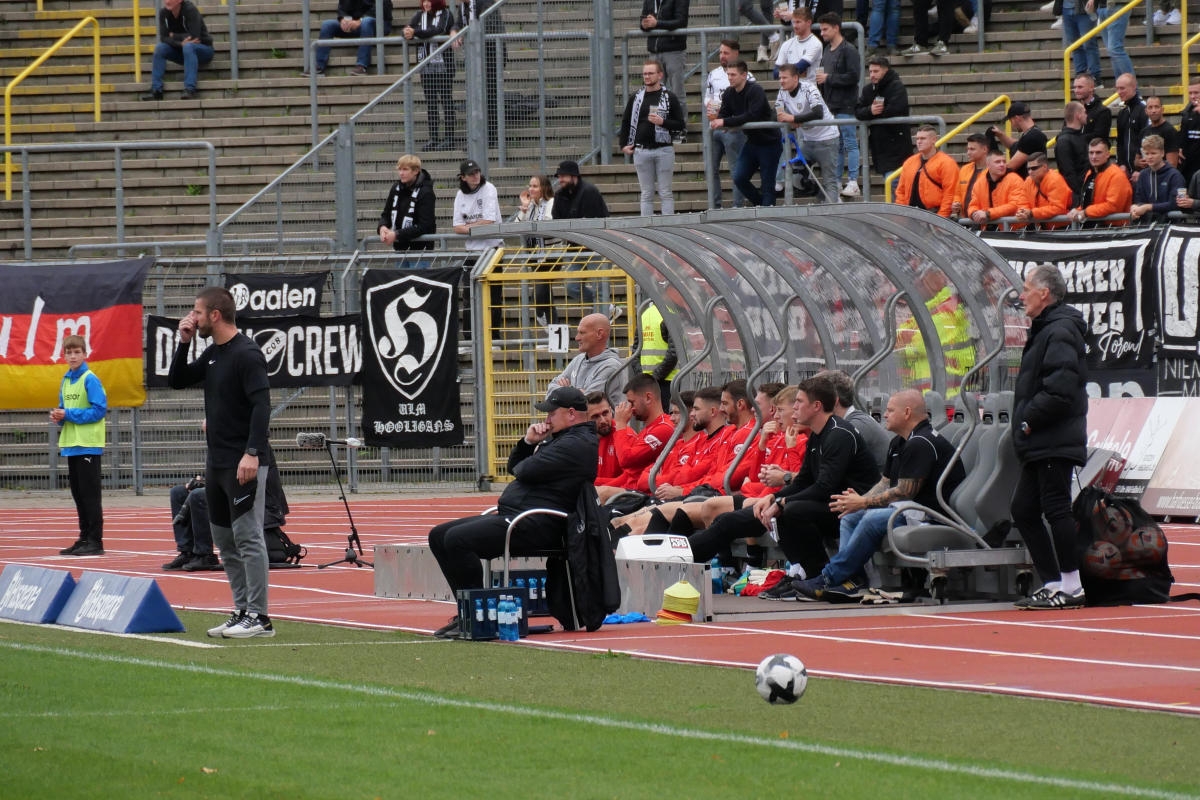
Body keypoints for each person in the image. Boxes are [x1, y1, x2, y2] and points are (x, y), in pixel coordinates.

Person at [427, 386, 598, 637]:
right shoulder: (562, 439)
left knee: (456, 540)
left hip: (539, 524)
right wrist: (528, 443)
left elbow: (523, 471)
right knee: (438, 535)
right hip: (520, 516)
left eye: (552, 413)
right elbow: (516, 466)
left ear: (571, 414)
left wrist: (535, 453)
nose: (547, 419)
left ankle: (477, 615)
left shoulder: (577, 443)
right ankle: (467, 612)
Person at [689, 374, 880, 583]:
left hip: (849, 507)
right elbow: (803, 480)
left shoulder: (839, 433)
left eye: (799, 402)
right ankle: (682, 557)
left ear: (816, 406)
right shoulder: (818, 434)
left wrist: (781, 501)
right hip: (829, 504)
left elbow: (824, 487)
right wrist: (773, 498)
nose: (795, 407)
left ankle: (817, 575)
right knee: (729, 520)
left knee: (790, 511)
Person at [168, 287, 276, 638]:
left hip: (243, 461)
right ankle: (242, 609)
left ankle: (260, 617)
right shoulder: (214, 352)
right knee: (225, 541)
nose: (193, 318)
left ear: (215, 315)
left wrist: (252, 452)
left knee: (248, 538)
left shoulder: (247, 353)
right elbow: (177, 380)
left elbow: (262, 406)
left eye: (197, 312)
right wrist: (184, 343)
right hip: (216, 463)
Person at [790, 388, 966, 600]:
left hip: (932, 515)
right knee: (850, 517)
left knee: (871, 519)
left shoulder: (921, 442)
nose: (885, 415)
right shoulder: (899, 442)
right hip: (910, 510)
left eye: (890, 410)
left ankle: (829, 577)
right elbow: (885, 483)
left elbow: (905, 491)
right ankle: (851, 581)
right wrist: (858, 502)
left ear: (907, 412)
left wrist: (864, 502)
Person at [1011, 263, 1090, 610]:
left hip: (1052, 436)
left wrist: (1028, 419)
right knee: (1023, 510)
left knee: (1056, 507)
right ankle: (1053, 581)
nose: (1021, 296)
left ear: (1044, 293)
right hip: (1042, 439)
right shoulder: (1047, 329)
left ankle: (1072, 585)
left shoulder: (1060, 330)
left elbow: (1060, 389)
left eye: (1026, 289)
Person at [165, 463, 290, 572]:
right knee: (178, 492)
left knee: (199, 495)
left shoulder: (250, 451)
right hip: (231, 489)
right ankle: (187, 552)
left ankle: (205, 555)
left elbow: (244, 480)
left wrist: (209, 486)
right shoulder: (222, 449)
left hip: (253, 499)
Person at [53, 334, 108, 557]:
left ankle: (95, 540)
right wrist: (59, 416)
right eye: (69, 352)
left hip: (88, 444)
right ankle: (84, 537)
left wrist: (69, 414)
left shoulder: (90, 379)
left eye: (77, 352)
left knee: (90, 495)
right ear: (64, 355)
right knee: (78, 494)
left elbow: (99, 410)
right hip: (72, 444)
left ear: (85, 354)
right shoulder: (66, 380)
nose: (73, 356)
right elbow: (64, 407)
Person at [620, 59, 685, 217]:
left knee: (665, 192)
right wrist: (623, 144)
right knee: (646, 193)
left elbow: (680, 124)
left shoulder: (669, 97)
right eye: (645, 73)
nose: (647, 76)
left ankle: (667, 224)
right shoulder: (636, 97)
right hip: (641, 150)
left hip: (664, 149)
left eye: (650, 73)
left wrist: (663, 122)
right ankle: (647, 226)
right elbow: (626, 121)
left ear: (660, 75)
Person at [596, 373, 676, 501]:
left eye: (632, 403)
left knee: (601, 494)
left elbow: (626, 460)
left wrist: (621, 425)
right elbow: (628, 475)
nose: (630, 408)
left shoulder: (664, 428)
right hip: (631, 488)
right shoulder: (649, 428)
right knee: (589, 490)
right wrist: (592, 483)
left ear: (648, 398)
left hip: (644, 493)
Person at [712, 60, 780, 207]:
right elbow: (723, 114)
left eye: (733, 75)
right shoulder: (729, 93)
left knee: (767, 184)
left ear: (744, 75)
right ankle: (761, 205)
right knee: (739, 177)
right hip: (752, 142)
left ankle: (767, 211)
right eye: (728, 74)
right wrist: (719, 120)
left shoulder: (755, 90)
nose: (730, 78)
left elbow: (752, 115)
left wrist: (725, 122)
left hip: (769, 142)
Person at [775, 63, 841, 203]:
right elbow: (778, 114)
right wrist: (787, 119)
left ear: (795, 78)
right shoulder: (782, 92)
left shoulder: (809, 88)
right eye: (780, 78)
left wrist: (794, 118)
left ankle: (833, 209)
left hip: (827, 139)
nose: (781, 81)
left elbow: (818, 113)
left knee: (829, 180)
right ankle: (823, 196)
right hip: (807, 141)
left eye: (784, 78)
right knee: (796, 177)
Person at [705, 40, 755, 208]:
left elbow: (750, 101)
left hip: (734, 129)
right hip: (715, 126)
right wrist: (711, 109)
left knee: (736, 169)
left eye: (726, 53)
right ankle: (715, 206)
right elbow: (708, 97)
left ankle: (738, 206)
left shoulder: (747, 76)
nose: (722, 56)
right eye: (720, 52)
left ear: (736, 53)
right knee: (711, 168)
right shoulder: (713, 74)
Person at [816, 13, 862, 198]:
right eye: (821, 29)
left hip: (846, 105)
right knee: (838, 145)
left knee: (849, 142)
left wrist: (829, 78)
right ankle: (836, 180)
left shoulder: (849, 50)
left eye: (825, 29)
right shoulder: (827, 50)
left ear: (836, 28)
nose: (822, 33)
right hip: (831, 105)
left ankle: (853, 181)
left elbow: (854, 76)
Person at [451, 0, 504, 147]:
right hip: (474, 58)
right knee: (474, 98)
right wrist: (454, 31)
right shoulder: (463, 6)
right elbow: (458, 23)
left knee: (490, 97)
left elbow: (488, 25)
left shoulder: (484, 2)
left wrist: (465, 33)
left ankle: (490, 138)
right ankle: (477, 139)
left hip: (491, 56)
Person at [404, 0, 455, 151]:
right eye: (424, 1)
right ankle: (433, 138)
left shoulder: (446, 14)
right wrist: (407, 32)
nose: (426, 4)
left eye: (430, 1)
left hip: (443, 66)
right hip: (425, 65)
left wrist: (416, 33)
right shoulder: (419, 15)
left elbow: (439, 30)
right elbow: (408, 29)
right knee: (431, 103)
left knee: (446, 101)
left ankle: (449, 138)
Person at [547, 313, 625, 409]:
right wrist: (574, 392)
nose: (577, 338)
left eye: (582, 333)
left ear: (599, 334)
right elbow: (550, 391)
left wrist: (565, 390)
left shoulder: (611, 366)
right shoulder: (578, 360)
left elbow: (588, 403)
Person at [141, 0, 213, 100]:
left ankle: (190, 89)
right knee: (160, 48)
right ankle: (156, 90)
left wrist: (174, 36)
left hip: (203, 49)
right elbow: (164, 38)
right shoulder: (164, 13)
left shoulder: (190, 10)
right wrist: (180, 43)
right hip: (181, 50)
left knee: (188, 47)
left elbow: (194, 36)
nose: (167, 1)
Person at [640, 0, 690, 142]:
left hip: (674, 50)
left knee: (677, 92)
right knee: (654, 93)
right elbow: (643, 19)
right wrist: (644, 24)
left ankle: (680, 129)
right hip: (655, 51)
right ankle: (656, 127)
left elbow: (681, 21)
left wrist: (657, 23)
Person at [855, 55, 912, 176]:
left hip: (897, 144)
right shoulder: (868, 90)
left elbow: (896, 109)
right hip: (880, 146)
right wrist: (870, 111)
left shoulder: (897, 87)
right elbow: (858, 111)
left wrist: (875, 113)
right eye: (870, 71)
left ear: (886, 70)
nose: (872, 75)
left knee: (894, 181)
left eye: (876, 71)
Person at [311, 0, 392, 77]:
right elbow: (342, 8)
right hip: (355, 23)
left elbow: (384, 7)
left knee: (366, 22)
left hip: (380, 23)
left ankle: (362, 66)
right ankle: (318, 66)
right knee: (327, 25)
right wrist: (343, 19)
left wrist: (360, 20)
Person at [894, 124, 959, 216]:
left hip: (934, 214)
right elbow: (901, 191)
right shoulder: (909, 162)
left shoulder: (947, 163)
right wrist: (901, 215)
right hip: (910, 214)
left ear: (934, 140)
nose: (919, 142)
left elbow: (950, 193)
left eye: (923, 138)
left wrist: (941, 218)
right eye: (917, 139)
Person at [378, 154, 437, 254]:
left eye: (405, 169)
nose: (401, 173)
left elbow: (425, 225)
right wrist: (382, 226)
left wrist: (397, 235)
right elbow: (386, 214)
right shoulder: (396, 188)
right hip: (400, 249)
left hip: (421, 250)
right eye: (399, 169)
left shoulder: (426, 192)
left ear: (416, 171)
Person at [1068, 137, 1133, 225]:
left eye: (1098, 152)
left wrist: (1085, 212)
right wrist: (1077, 210)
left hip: (1114, 228)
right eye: (1091, 153)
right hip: (1093, 226)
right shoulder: (1090, 173)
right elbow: (1088, 202)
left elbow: (1113, 206)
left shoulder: (1117, 175)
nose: (1094, 156)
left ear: (1108, 154)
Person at [1129, 134, 1185, 224]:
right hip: (1146, 225)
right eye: (1146, 153)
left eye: (1153, 153)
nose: (1149, 157)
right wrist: (1135, 207)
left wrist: (1148, 207)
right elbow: (1139, 200)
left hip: (1169, 224)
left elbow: (1175, 203)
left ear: (1162, 153)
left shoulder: (1175, 175)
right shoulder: (1143, 175)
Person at [968, 150, 1029, 227]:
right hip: (989, 228)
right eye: (997, 162)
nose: (1002, 164)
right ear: (988, 165)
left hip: (1015, 229)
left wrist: (988, 214)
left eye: (1004, 161)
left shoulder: (1015, 179)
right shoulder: (979, 183)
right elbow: (973, 205)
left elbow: (1014, 205)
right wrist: (974, 213)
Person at [989, 101, 1048, 179]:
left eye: (1011, 121)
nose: (1012, 125)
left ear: (1017, 118)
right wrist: (1000, 134)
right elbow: (1015, 145)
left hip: (1028, 184)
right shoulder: (1032, 133)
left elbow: (1011, 166)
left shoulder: (1032, 137)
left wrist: (992, 172)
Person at [453, 159, 502, 249]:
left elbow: (488, 221)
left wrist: (466, 227)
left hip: (492, 247)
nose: (475, 176)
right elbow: (457, 228)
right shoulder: (460, 194)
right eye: (471, 174)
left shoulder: (489, 188)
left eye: (477, 172)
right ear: (463, 177)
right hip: (471, 249)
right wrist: (479, 225)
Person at [1016, 152, 1073, 228]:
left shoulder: (1055, 180)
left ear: (1045, 167)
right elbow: (1023, 201)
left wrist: (1032, 213)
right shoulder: (1028, 181)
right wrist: (1023, 212)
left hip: (1062, 228)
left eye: (1034, 168)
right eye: (1028, 169)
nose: (1030, 172)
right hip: (1042, 228)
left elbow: (1058, 208)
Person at [1090, 0, 1133, 86]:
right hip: (1101, 7)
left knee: (1115, 49)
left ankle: (1132, 89)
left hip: (1116, 5)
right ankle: (1121, 88)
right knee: (1112, 51)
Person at [1114, 73, 1148, 179]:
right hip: (1126, 172)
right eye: (1117, 88)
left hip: (1142, 172)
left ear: (1134, 87)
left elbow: (1148, 140)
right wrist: (1121, 164)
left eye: (1122, 88)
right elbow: (1120, 142)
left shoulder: (1144, 110)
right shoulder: (1122, 113)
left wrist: (1140, 170)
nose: (1119, 92)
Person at [774, 9, 823, 82]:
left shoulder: (815, 43)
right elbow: (775, 73)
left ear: (808, 22)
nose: (795, 26)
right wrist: (794, 72)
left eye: (798, 22)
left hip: (807, 87)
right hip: (787, 87)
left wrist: (784, 72)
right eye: (793, 22)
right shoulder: (787, 44)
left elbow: (800, 67)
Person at [1060, 1, 1101, 86]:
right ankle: (1080, 76)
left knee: (1089, 44)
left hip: (1084, 7)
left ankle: (1095, 77)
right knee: (1075, 45)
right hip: (1066, 8)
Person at [1054, 101, 1091, 196]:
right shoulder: (1064, 141)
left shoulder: (1081, 136)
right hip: (1076, 194)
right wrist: (1080, 193)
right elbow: (1068, 172)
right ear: (1078, 115)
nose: (1086, 115)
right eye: (1084, 112)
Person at [951, 132, 989, 218]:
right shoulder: (964, 169)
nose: (968, 152)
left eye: (972, 149)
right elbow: (957, 194)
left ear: (984, 149)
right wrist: (956, 203)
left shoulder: (993, 170)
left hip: (984, 219)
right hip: (965, 219)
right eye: (967, 149)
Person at [586, 391, 622, 483]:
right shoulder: (579, 439)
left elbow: (632, 479)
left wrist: (594, 483)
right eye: (595, 416)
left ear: (611, 411)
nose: (602, 420)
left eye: (605, 413)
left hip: (617, 491)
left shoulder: (623, 434)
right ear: (586, 419)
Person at [1143, 96, 1181, 169]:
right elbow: (1137, 160)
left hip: (1163, 175)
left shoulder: (1170, 131)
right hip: (1146, 174)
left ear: (1162, 109)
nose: (1153, 110)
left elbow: (1172, 164)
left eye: (1156, 107)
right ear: (1146, 111)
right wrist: (1139, 163)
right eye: (1150, 107)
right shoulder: (1143, 132)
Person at [1072, 73, 1112, 144]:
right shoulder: (1072, 110)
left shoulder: (1103, 112)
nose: (1076, 91)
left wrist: (1072, 139)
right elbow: (1065, 131)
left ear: (1091, 88)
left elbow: (1099, 137)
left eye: (1080, 87)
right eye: (1075, 87)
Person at [1178, 78, 1200, 184]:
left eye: (1196, 93)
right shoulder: (1186, 114)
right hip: (1189, 167)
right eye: (1190, 93)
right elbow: (1182, 137)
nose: (1193, 96)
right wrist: (1179, 148)